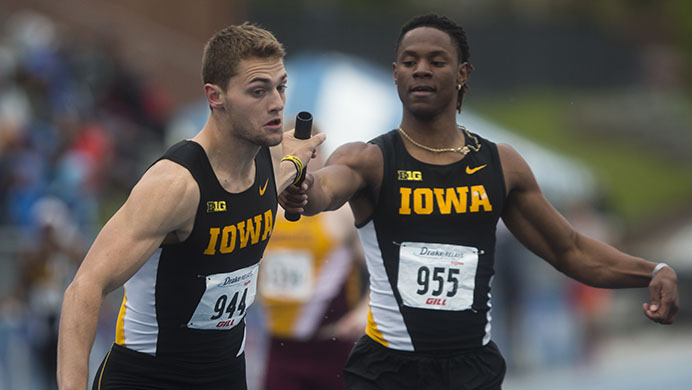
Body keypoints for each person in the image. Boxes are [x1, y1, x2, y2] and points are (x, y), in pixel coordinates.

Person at [280, 14, 679, 390]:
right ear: (395, 73)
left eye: (437, 61)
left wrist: (651, 271)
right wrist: (299, 179)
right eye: (409, 61)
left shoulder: (501, 165)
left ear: (462, 74)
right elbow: (321, 193)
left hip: (470, 371)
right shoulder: (368, 160)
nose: (421, 69)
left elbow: (570, 249)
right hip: (386, 370)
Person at [56, 22, 325, 390]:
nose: (276, 103)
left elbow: (269, 181)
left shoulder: (271, 153)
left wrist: (296, 175)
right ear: (215, 96)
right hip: (148, 378)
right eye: (258, 91)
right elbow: (84, 287)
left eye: (281, 87)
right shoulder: (175, 185)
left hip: (226, 375)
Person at [257, 128, 368, 390]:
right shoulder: (262, 212)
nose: (299, 163)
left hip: (331, 345)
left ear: (321, 158)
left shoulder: (341, 216)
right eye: (290, 156)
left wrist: (364, 311)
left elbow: (383, 268)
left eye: (308, 156)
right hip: (279, 345)